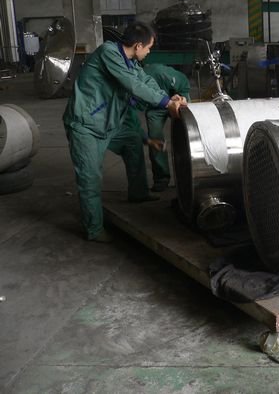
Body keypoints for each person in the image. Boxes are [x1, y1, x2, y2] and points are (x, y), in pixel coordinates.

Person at [62, 22, 187, 243]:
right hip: (86, 125)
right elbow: (132, 85)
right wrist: (167, 104)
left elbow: (144, 80)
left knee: (133, 143)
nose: (149, 52)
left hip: (109, 123)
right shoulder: (108, 53)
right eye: (149, 48)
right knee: (90, 178)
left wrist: (170, 97)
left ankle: (138, 193)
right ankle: (94, 229)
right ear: (138, 46)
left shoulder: (130, 62)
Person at [142, 63, 191, 192]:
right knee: (155, 139)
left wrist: (183, 97)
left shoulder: (159, 73)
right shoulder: (130, 87)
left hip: (175, 101)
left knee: (187, 136)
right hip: (155, 108)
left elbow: (183, 81)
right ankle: (161, 178)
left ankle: (190, 176)